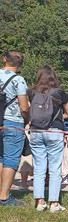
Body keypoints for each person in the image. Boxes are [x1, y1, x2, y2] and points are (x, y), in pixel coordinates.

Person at [28, 66, 68, 213]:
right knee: (54, 168)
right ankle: (54, 203)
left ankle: (40, 202)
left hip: (36, 131)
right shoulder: (59, 92)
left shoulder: (32, 92)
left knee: (39, 168)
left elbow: (28, 111)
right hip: (54, 130)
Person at [0, 51, 29, 207]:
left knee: (0, 158)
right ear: (20, 64)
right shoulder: (19, 80)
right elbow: (24, 107)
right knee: (10, 160)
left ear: (4, 59)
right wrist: (28, 118)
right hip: (13, 122)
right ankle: (4, 197)